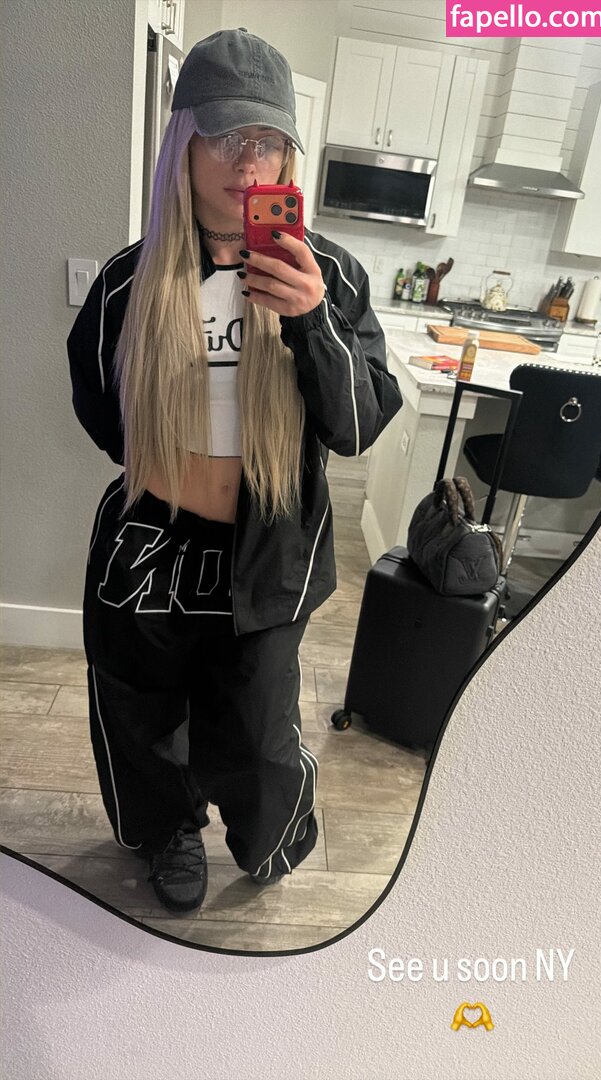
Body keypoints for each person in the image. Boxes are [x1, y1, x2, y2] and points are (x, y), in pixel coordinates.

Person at [67, 28, 403, 914]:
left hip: (266, 548)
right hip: (151, 540)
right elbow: (101, 413)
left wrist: (311, 321)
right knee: (143, 713)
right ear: (184, 143)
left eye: (267, 139)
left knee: (256, 732)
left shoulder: (330, 276)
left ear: (289, 153)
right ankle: (168, 831)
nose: (247, 162)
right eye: (223, 136)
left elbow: (357, 424)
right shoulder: (128, 284)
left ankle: (271, 834)